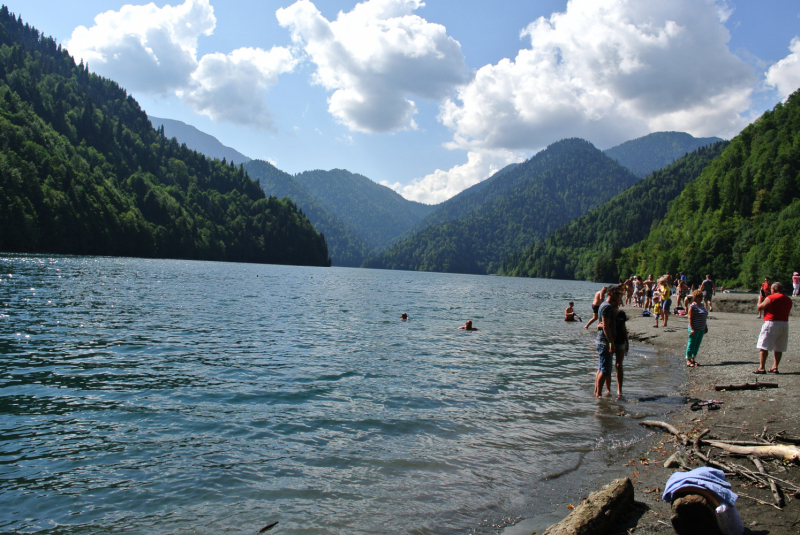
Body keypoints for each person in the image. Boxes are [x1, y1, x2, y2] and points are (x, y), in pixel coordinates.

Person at [754, 282, 793, 374]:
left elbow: (760, 308)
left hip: (772, 322)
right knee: (779, 347)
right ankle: (775, 366)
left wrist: (760, 299)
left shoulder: (771, 298)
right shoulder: (788, 299)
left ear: (774, 289)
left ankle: (762, 367)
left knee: (763, 346)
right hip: (784, 323)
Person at [594, 285, 621, 398]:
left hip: (603, 340)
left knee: (602, 367)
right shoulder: (606, 307)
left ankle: (597, 392)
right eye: (616, 293)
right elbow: (605, 326)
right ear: (609, 294)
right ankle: (599, 395)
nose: (618, 295)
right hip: (605, 341)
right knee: (605, 369)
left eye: (619, 293)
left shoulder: (607, 306)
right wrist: (611, 343)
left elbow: (602, 325)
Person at [686, 290, 709, 367]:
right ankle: (688, 360)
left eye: (701, 297)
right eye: (699, 297)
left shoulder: (702, 305)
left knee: (697, 344)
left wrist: (705, 326)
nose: (701, 298)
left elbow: (704, 317)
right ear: (695, 297)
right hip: (694, 328)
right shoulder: (693, 306)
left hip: (701, 328)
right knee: (691, 343)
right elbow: (690, 318)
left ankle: (693, 358)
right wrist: (692, 329)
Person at [613, 308, 629, 399]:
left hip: (620, 340)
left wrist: (627, 342)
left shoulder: (622, 313)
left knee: (619, 365)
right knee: (607, 366)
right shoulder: (607, 311)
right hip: (610, 341)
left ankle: (619, 389)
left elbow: (623, 327)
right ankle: (608, 389)